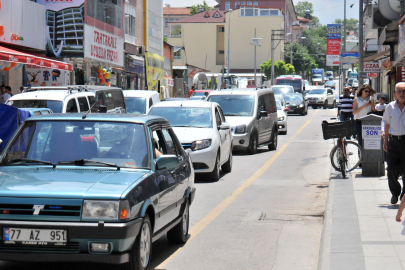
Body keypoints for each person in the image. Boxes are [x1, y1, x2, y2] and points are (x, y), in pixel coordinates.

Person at [383, 82, 405, 204]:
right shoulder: (390, 107)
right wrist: (385, 141)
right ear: (395, 94)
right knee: (391, 169)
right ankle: (395, 192)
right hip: (393, 142)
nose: (402, 94)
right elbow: (386, 124)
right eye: (400, 91)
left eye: (404, 91)